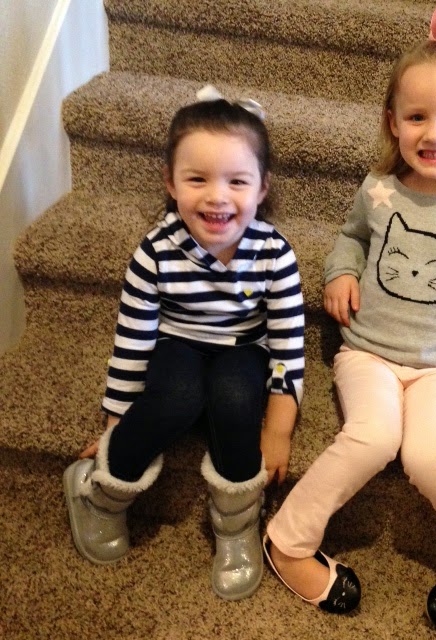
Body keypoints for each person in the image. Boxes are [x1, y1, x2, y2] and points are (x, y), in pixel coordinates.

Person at [263, 0, 436, 630]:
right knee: (374, 437)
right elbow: (350, 239)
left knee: (430, 455)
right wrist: (340, 272)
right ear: (393, 123)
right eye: (417, 117)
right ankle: (288, 540)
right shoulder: (378, 190)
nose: (434, 133)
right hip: (369, 353)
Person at [62, 86, 304, 602]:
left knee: (235, 399)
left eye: (237, 181)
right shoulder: (154, 253)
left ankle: (237, 522)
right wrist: (118, 430)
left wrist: (279, 429)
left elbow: (288, 343)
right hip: (176, 342)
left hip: (244, 346)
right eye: (198, 179)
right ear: (170, 183)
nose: (217, 197)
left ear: (262, 188)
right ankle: (100, 492)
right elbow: (132, 343)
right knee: (176, 396)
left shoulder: (274, 253)